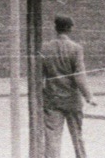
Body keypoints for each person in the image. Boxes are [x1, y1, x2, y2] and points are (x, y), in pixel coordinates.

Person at [42, 15, 95, 158]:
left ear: (56, 28)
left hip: (52, 98)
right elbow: (79, 75)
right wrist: (88, 96)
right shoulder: (76, 48)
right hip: (72, 99)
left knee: (52, 137)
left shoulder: (45, 48)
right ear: (70, 28)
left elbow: (40, 75)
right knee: (77, 135)